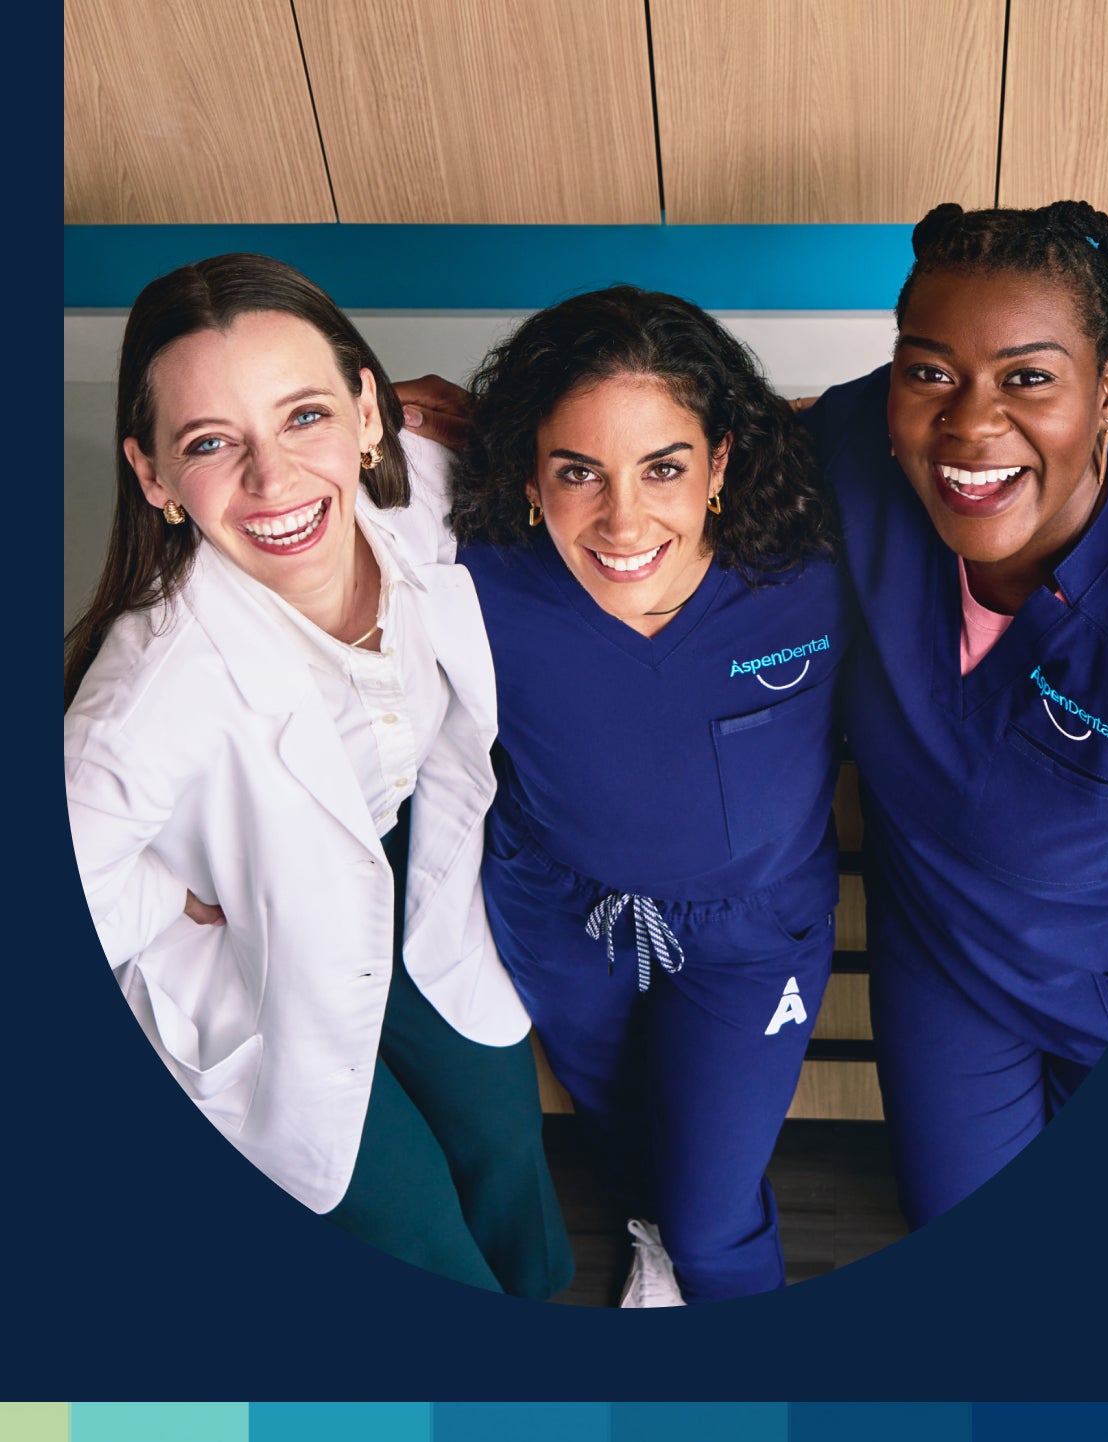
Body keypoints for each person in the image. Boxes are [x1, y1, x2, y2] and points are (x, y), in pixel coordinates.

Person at [63, 253, 571, 1298]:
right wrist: (171, 893)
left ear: (370, 414)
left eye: (305, 417)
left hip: (409, 867)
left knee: (504, 1139)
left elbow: (605, 448)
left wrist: (473, 407)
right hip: (250, 938)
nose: (274, 477)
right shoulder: (146, 695)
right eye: (211, 443)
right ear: (153, 476)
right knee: (409, 1220)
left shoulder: (424, 492)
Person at [445, 287, 849, 1305]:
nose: (624, 519)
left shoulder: (809, 567)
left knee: (716, 1217)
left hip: (754, 933)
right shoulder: (476, 578)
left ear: (718, 463)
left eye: (663, 467)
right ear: (531, 475)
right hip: (562, 915)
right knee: (632, 1147)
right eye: (579, 471)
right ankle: (653, 1240)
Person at [795, 202, 1108, 1228]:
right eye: (930, 370)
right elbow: (667, 445)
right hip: (945, 961)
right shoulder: (855, 449)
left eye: (1028, 377)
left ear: (1106, 386)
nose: (969, 423)